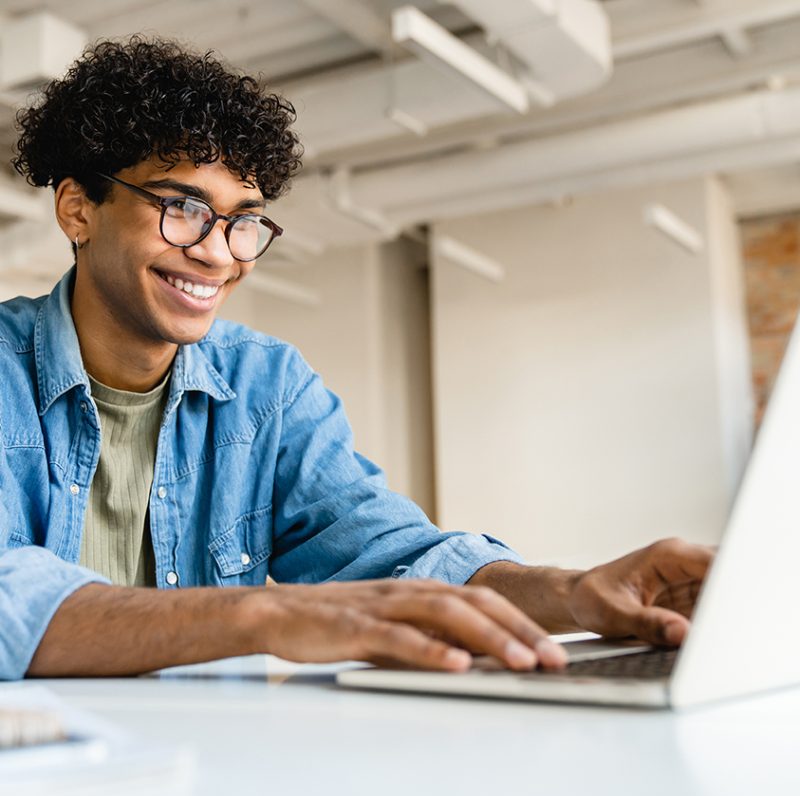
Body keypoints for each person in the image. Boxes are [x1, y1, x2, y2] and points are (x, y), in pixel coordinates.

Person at [0, 37, 711, 681]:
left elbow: (394, 555)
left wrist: (575, 594)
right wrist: (261, 617)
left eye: (241, 220)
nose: (217, 252)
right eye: (181, 207)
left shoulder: (266, 386)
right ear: (77, 210)